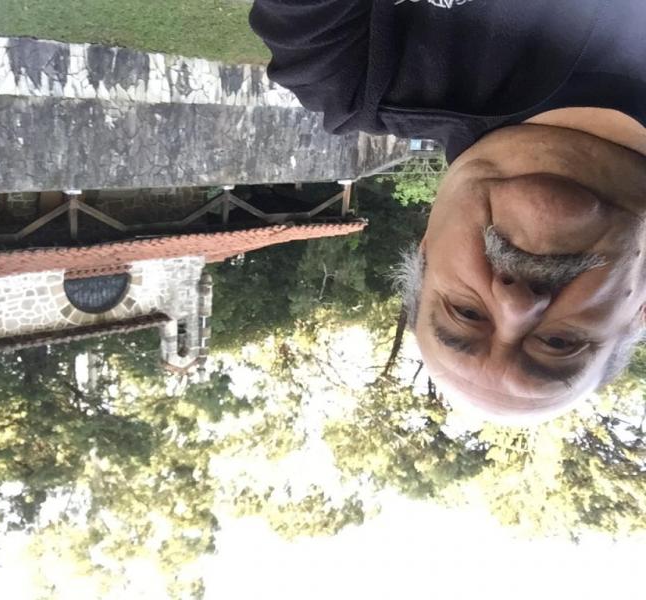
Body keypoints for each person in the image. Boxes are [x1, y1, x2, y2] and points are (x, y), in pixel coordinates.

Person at [250, 0, 646, 423]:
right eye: (559, 342)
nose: (515, 304)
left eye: (467, 312)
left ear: (426, 248)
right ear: (641, 310)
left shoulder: (350, 68)